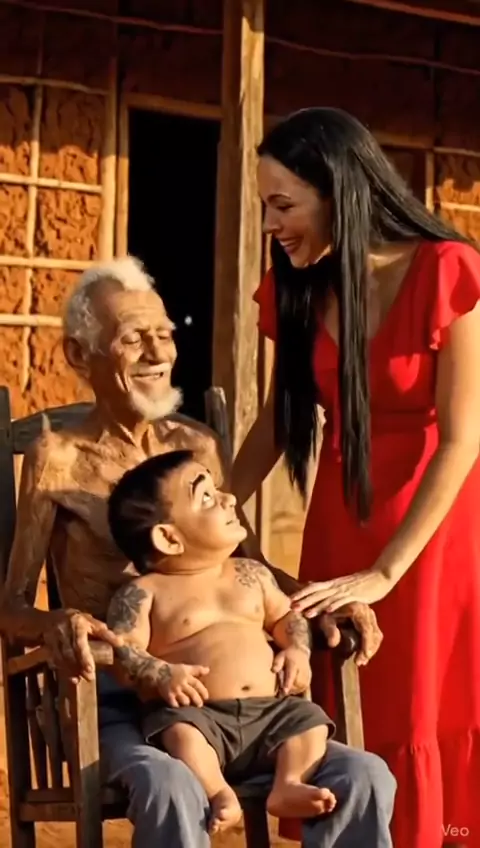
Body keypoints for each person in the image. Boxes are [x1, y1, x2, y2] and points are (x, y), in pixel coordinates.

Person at [0, 255, 395, 848]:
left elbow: (250, 567)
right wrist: (57, 621)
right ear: (81, 356)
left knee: (362, 774)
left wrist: (328, 600)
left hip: (239, 702)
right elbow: (8, 607)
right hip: (112, 696)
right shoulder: (56, 459)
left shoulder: (197, 448)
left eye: (164, 335)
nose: (158, 353)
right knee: (169, 782)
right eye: (133, 339)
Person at [231, 106, 480, 848]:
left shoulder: (447, 270)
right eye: (264, 207)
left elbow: (463, 439)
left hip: (435, 531)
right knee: (348, 696)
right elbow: (277, 422)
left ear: (337, 188)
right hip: (341, 523)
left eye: (283, 205)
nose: (271, 225)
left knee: (422, 703)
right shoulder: (297, 288)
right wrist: (215, 505)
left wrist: (384, 572)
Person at [106, 449, 337, 835]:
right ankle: (217, 791)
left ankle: (289, 783)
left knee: (310, 721)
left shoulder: (252, 575)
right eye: (207, 497)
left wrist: (297, 649)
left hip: (271, 712)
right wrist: (161, 672)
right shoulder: (145, 593)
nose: (229, 498)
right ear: (168, 537)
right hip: (200, 714)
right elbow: (122, 650)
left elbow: (287, 617)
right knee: (180, 733)